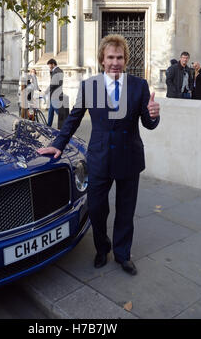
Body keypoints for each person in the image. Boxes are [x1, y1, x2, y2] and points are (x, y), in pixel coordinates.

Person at [37, 35, 160, 276]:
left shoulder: (139, 85)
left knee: (126, 210)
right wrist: (57, 144)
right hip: (100, 158)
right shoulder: (90, 86)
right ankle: (102, 248)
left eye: (120, 57)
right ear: (102, 60)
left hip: (129, 158)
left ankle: (123, 254)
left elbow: (148, 123)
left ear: (125, 60)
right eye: (111, 57)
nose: (115, 62)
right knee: (96, 208)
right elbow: (73, 118)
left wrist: (153, 114)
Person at [46, 59, 64, 127]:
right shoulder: (58, 70)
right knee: (51, 111)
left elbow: (53, 83)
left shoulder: (56, 72)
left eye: (50, 65)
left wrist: (46, 91)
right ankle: (48, 125)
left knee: (58, 111)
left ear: (53, 64)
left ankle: (65, 123)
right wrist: (50, 72)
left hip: (55, 94)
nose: (49, 67)